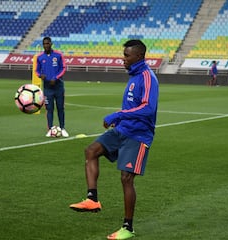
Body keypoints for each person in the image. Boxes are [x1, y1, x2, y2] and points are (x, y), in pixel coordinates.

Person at [69, 39, 159, 240]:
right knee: (91, 151)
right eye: (124, 54)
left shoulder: (147, 77)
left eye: (127, 55)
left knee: (126, 178)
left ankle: (128, 228)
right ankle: (92, 199)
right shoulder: (135, 75)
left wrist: (118, 115)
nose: (123, 58)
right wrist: (120, 119)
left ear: (139, 56)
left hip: (138, 135)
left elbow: (148, 108)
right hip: (122, 129)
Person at [36, 36, 69, 137]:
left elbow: (63, 68)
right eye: (44, 44)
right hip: (47, 88)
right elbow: (37, 70)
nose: (46, 45)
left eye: (47, 43)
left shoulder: (58, 55)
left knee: (60, 108)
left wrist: (56, 77)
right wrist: (40, 75)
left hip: (58, 86)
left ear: (51, 44)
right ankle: (50, 129)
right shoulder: (40, 57)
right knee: (49, 109)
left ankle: (62, 128)